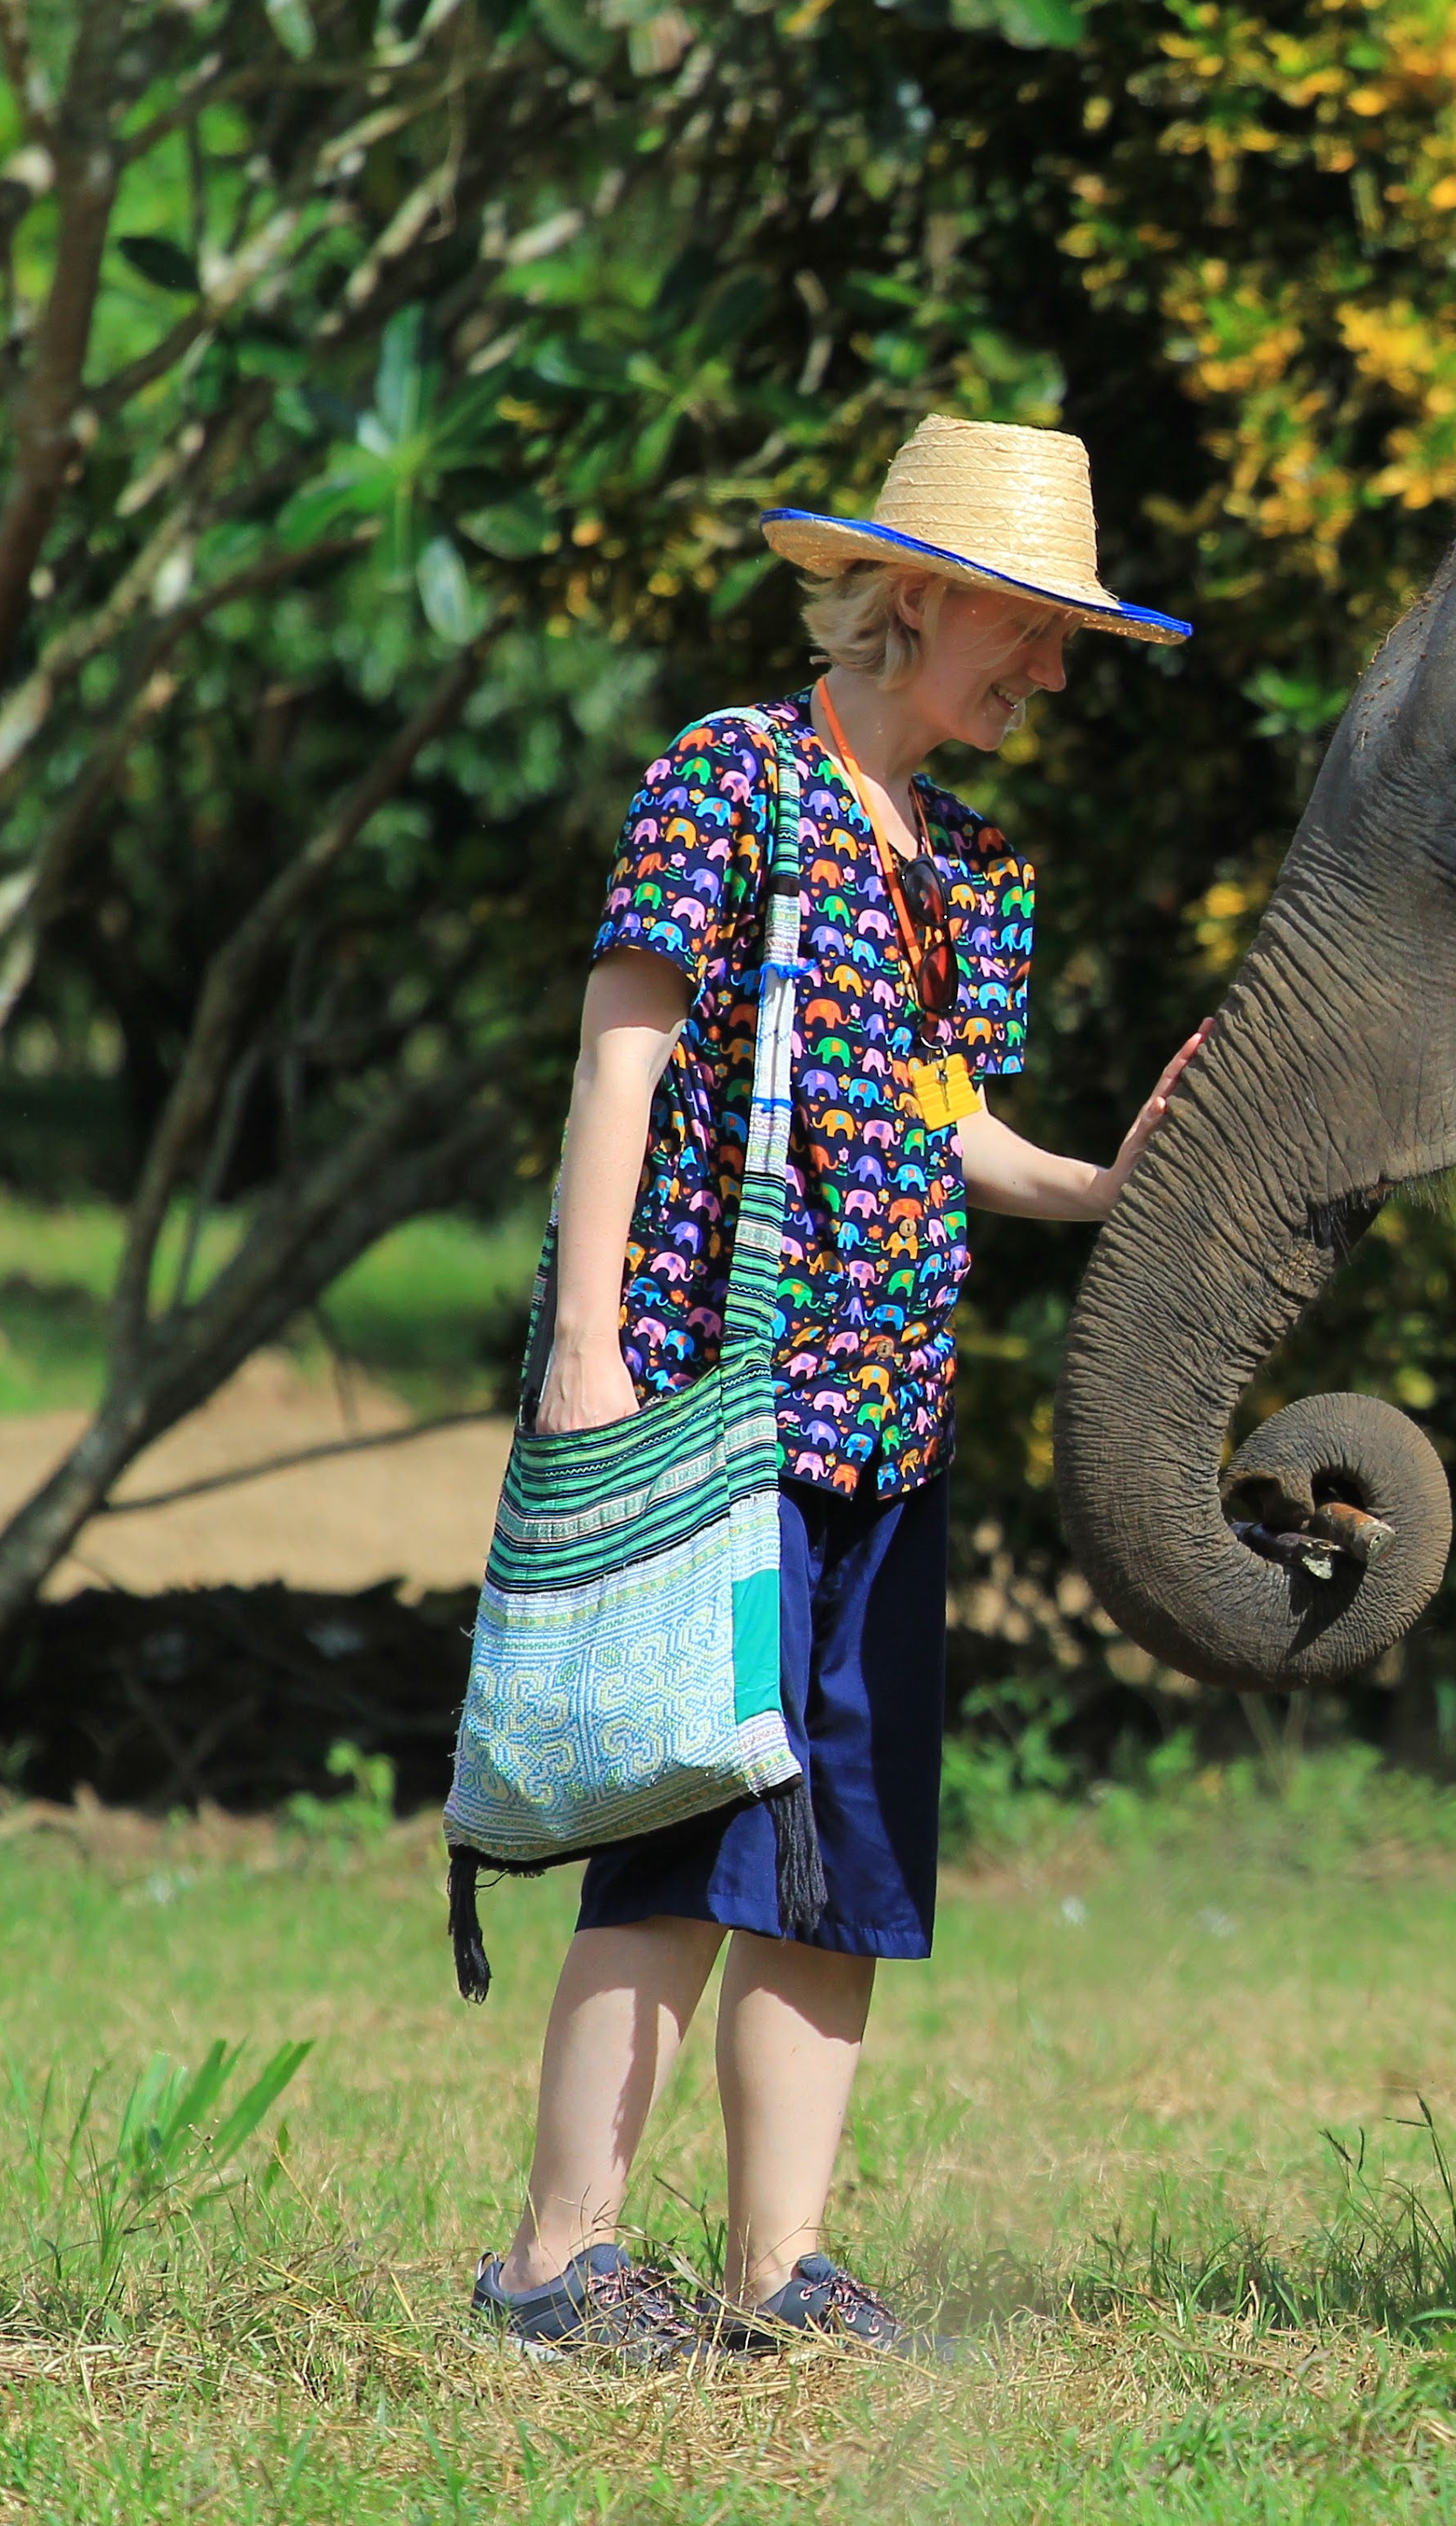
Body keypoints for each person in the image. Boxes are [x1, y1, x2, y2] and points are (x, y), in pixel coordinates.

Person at [471, 418, 1202, 2363]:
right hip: (718, 1410)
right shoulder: (733, 777)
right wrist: (585, 1345)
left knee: (841, 1850)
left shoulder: (972, 865)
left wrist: (1100, 1184)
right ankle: (555, 2260)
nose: (1051, 675)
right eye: (1032, 630)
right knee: (679, 1816)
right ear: (924, 596)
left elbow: (941, 1120)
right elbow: (622, 1053)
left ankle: (776, 2270)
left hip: (890, 1422)